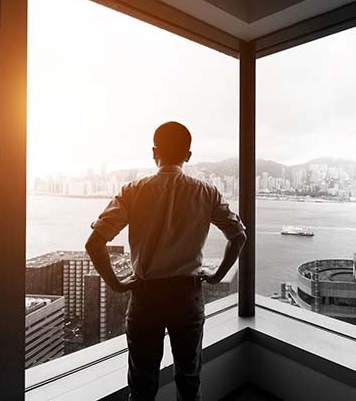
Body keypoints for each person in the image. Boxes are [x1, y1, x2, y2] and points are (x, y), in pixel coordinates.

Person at [85, 121, 246, 401]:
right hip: (187, 297)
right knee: (189, 382)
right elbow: (239, 236)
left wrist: (117, 284)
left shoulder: (132, 191)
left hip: (145, 298)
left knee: (142, 386)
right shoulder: (206, 192)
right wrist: (218, 275)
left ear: (153, 152)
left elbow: (94, 242)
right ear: (189, 155)